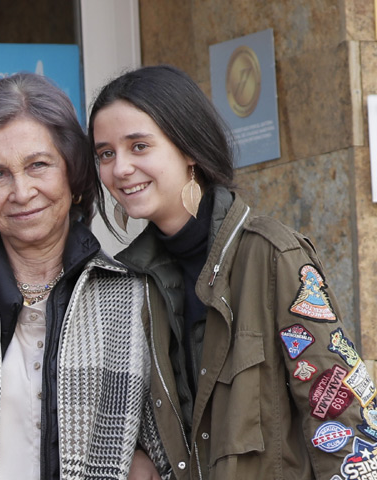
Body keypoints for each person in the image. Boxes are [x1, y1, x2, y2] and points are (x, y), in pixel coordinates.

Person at [89, 64, 377, 479]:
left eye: (138, 146)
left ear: (188, 148)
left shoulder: (272, 256)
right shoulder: (127, 282)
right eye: (106, 154)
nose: (119, 169)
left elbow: (339, 416)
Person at [0, 72, 169, 480]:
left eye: (37, 165)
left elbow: (176, 448)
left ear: (72, 173)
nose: (21, 191)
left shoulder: (138, 297)